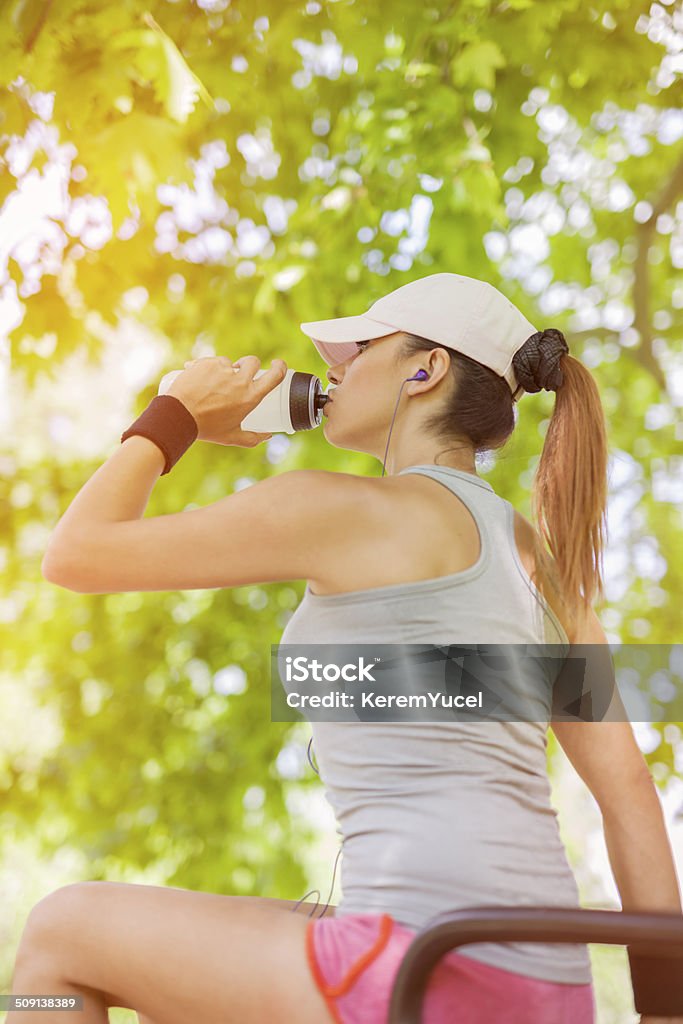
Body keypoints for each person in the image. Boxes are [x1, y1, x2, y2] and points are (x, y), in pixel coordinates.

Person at [10, 274, 681, 1024]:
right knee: (272, 932)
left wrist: (178, 416)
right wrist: (662, 1015)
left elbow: (76, 554)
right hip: (543, 988)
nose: (333, 370)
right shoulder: (547, 569)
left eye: (357, 351)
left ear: (423, 370)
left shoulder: (338, 509)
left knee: (57, 938)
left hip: (418, 974)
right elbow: (628, 796)